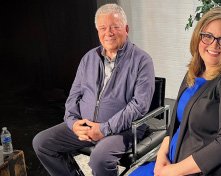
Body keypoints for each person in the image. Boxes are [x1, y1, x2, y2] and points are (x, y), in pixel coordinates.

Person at [130, 7, 221, 176]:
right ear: (198, 37)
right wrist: (161, 156)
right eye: (208, 36)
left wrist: (172, 171)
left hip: (201, 171)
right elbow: (175, 124)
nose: (214, 44)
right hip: (171, 162)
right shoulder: (195, 71)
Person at [32, 4, 155, 176]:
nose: (109, 33)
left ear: (126, 29)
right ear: (97, 31)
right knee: (42, 143)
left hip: (123, 130)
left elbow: (139, 105)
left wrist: (104, 129)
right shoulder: (88, 58)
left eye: (115, 27)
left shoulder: (142, 61)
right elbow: (74, 96)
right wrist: (73, 123)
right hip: (85, 125)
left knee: (100, 159)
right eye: (103, 28)